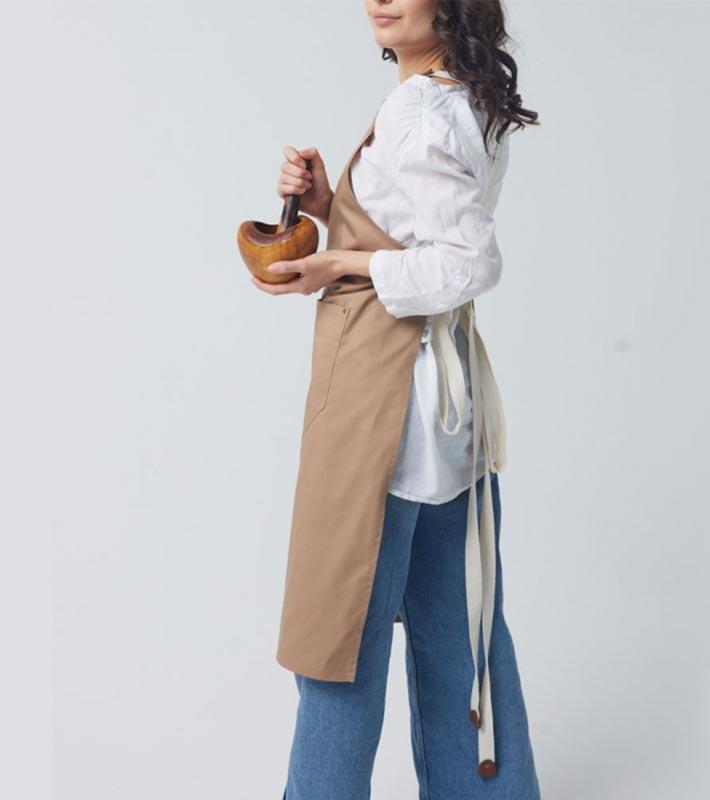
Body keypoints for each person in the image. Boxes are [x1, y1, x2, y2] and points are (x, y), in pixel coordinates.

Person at [252, 2, 541, 797]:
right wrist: (330, 207)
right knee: (460, 632)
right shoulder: (463, 96)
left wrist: (339, 264)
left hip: (383, 411)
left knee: (337, 640)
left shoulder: (418, 109)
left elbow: (469, 261)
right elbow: (417, 228)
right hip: (446, 410)